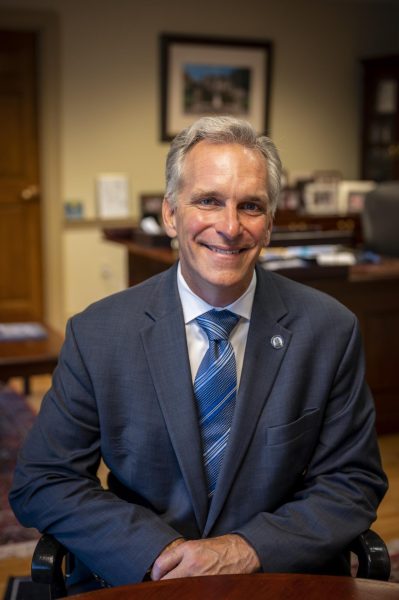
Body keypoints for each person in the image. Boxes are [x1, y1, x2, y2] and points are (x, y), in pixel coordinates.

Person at [10, 116, 387, 592]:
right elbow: (44, 480)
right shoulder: (98, 334)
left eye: (250, 206)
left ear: (269, 225)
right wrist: (160, 554)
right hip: (141, 580)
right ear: (170, 214)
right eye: (208, 201)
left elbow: (352, 482)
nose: (229, 227)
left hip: (279, 578)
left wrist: (245, 550)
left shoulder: (329, 330)